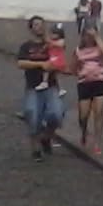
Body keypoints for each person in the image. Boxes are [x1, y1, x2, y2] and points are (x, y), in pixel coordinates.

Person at [16, 16, 64, 161]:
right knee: (32, 114)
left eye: (41, 24)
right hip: (33, 87)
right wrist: (40, 65)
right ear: (31, 28)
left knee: (56, 115)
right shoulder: (26, 46)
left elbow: (60, 55)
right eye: (36, 25)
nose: (39, 27)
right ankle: (35, 149)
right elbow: (20, 63)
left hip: (51, 85)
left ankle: (46, 137)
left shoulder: (51, 44)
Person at [71, 27, 103, 155]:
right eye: (87, 35)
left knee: (98, 112)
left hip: (101, 80)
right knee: (83, 115)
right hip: (84, 83)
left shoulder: (99, 47)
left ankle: (97, 142)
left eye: (91, 35)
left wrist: (97, 37)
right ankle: (84, 132)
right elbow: (73, 66)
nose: (89, 38)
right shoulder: (78, 50)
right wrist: (80, 73)